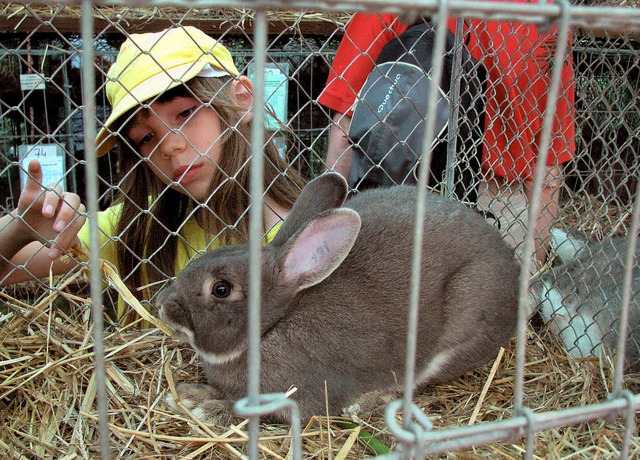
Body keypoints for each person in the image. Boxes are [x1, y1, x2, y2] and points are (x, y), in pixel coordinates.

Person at [0, 26, 304, 318]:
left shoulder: (306, 237)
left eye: (185, 113)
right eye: (145, 138)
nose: (169, 147)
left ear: (240, 100)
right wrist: (20, 228)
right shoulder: (135, 229)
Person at [318, 9, 576, 267]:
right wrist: (532, 263)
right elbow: (549, 165)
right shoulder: (546, 13)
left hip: (398, 203)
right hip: (504, 212)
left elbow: (346, 131)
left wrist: (329, 238)